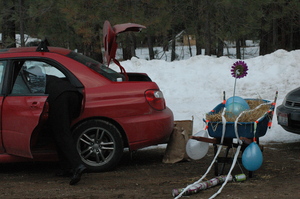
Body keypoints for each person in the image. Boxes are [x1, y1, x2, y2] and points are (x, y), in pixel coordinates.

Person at [45, 75, 86, 185]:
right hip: (74, 95)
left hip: (59, 97)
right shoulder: (46, 76)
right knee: (59, 131)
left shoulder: (29, 78)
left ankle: (77, 165)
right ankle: (66, 167)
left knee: (62, 133)